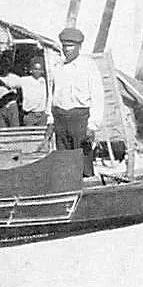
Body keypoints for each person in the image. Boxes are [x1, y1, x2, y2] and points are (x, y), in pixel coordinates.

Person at [45, 27, 104, 177]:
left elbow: (97, 97)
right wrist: (50, 120)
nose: (67, 50)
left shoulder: (88, 67)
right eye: (64, 46)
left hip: (79, 119)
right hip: (60, 118)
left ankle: (87, 191)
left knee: (83, 159)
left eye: (70, 46)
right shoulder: (58, 67)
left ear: (79, 46)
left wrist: (92, 126)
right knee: (64, 161)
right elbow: (52, 96)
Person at [0, 58, 48, 126]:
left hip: (42, 115)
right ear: (31, 70)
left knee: (42, 135)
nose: (37, 71)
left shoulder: (45, 81)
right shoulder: (25, 80)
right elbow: (10, 83)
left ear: (42, 71)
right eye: (35, 69)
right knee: (29, 135)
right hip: (29, 115)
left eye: (39, 70)